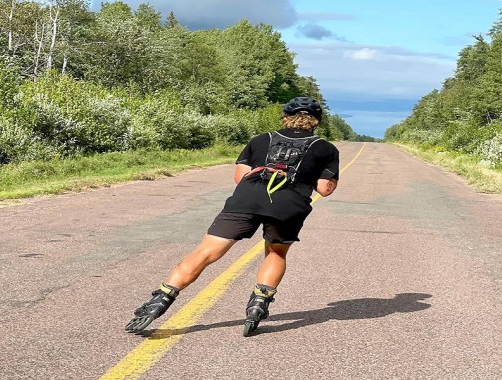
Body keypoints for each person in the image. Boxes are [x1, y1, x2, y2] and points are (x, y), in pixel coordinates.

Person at [125, 96, 340, 336]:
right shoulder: (326, 148)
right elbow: (323, 189)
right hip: (288, 206)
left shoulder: (261, 139)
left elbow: (240, 178)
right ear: (316, 122)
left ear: (284, 117)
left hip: (245, 199)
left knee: (205, 252)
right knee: (276, 252)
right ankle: (259, 304)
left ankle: (160, 299)